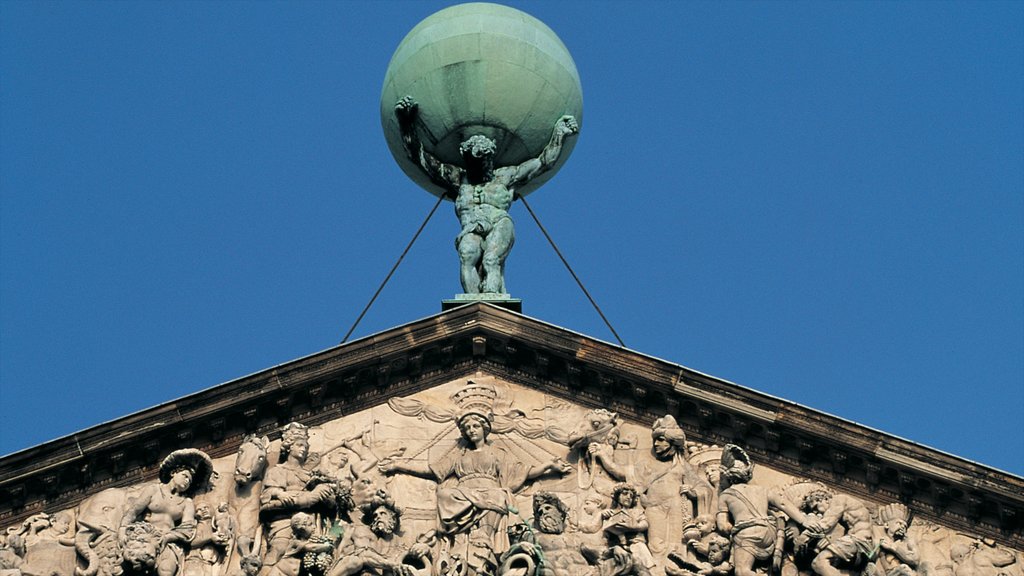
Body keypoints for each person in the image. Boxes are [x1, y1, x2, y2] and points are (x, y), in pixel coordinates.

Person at [395, 95, 579, 294]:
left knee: (491, 261)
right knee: (466, 255)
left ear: (490, 160)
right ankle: (473, 306)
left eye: (485, 163)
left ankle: (492, 302)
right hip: (471, 226)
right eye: (476, 164)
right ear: (467, 162)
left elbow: (544, 162)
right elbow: (419, 157)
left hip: (499, 221)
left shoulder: (505, 177)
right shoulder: (457, 179)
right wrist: (406, 123)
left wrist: (559, 134)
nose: (482, 168)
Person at [379, 410, 570, 575]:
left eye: (475, 426)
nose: (471, 430)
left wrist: (548, 465)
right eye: (468, 428)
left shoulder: (498, 453)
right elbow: (431, 469)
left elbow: (523, 472)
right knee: (444, 494)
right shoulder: (459, 456)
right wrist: (399, 464)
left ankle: (485, 539)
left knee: (499, 495)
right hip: (463, 495)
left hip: (491, 493)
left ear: (484, 429)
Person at [119, 448, 214, 576]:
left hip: (168, 542)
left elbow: (188, 529)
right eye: (185, 476)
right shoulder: (153, 490)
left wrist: (167, 537)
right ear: (173, 473)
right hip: (144, 538)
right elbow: (133, 512)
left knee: (166, 571)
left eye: (190, 481)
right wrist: (122, 531)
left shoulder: (187, 503)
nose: (187, 481)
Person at [260, 423, 339, 574]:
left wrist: (327, 495)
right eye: (299, 445)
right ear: (289, 447)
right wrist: (281, 494)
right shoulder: (278, 470)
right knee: (279, 550)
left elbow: (331, 506)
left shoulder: (311, 476)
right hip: (284, 523)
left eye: (306, 446)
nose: (304, 448)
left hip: (311, 523)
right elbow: (267, 496)